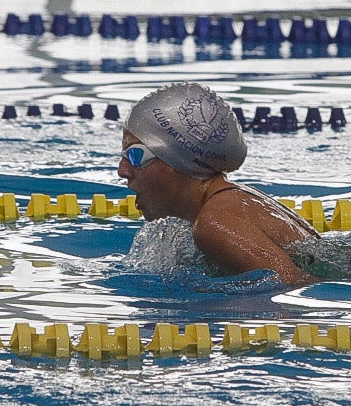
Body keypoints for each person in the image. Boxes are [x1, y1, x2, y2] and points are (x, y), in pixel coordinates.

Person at [118, 82, 320, 285]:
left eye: (135, 155)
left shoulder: (215, 224)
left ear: (178, 159)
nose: (122, 171)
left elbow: (294, 286)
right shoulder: (235, 200)